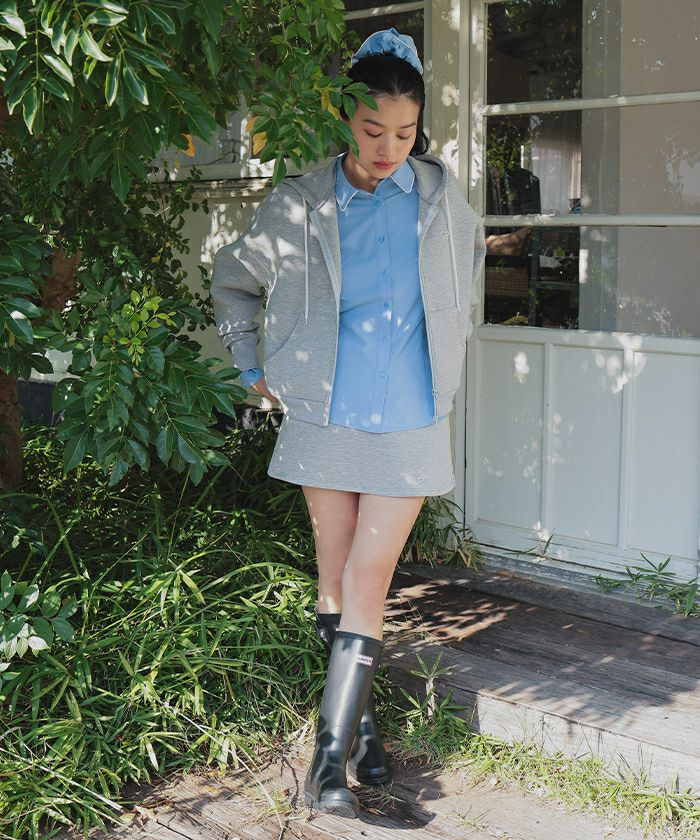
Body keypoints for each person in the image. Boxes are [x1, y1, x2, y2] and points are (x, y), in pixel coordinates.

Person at [211, 27, 486, 819]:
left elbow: (465, 280)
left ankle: (324, 767)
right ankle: (362, 740)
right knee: (334, 579)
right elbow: (233, 280)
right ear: (345, 120)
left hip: (411, 419)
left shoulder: (440, 200)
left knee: (368, 578)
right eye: (372, 130)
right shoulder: (300, 202)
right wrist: (251, 365)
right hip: (325, 412)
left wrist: (452, 343)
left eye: (405, 132)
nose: (388, 148)